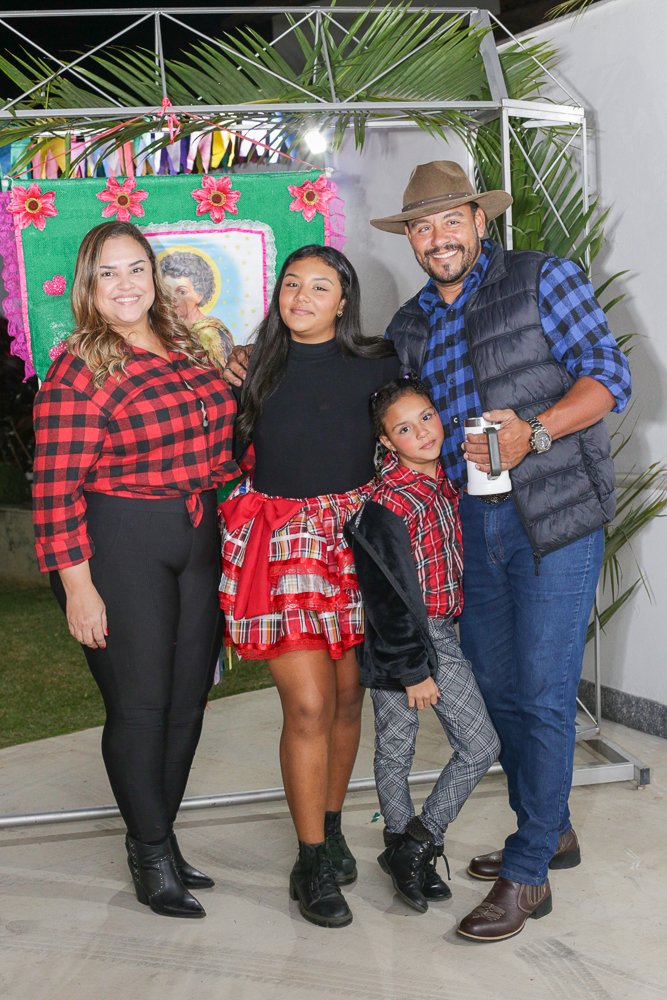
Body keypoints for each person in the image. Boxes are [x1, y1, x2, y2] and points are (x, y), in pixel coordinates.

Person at [370, 160, 632, 941]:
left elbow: (607, 375)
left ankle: (527, 876)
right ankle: (548, 831)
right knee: (500, 691)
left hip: (552, 519)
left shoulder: (542, 278)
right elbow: (388, 411)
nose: (437, 235)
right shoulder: (409, 324)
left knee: (545, 693)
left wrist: (537, 430)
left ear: (481, 221)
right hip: (466, 532)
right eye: (421, 225)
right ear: (411, 240)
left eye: (452, 219)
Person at [32, 220, 239, 920]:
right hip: (121, 539)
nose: (125, 285)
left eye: (136, 269)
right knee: (140, 706)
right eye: (108, 273)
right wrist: (78, 588)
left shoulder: (185, 346)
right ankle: (149, 852)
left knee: (187, 703)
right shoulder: (79, 365)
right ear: (90, 286)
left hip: (195, 529)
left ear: (156, 276)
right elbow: (53, 487)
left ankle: (161, 836)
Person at [218, 244, 399, 928]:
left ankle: (330, 821)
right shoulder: (251, 366)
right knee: (309, 705)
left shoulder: (378, 364)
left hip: (353, 546)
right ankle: (310, 859)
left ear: (342, 301)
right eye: (291, 284)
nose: (300, 296)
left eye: (318, 286)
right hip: (281, 544)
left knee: (349, 699)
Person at [344, 376, 500, 914]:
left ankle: (416, 845)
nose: (422, 432)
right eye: (404, 429)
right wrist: (411, 668)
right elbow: (385, 597)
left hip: (440, 632)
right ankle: (402, 844)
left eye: (426, 418)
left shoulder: (443, 482)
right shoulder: (387, 504)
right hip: (405, 639)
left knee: (477, 745)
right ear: (387, 443)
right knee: (398, 744)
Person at [160, 250, 234, 368]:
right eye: (167, 291)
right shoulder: (173, 329)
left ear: (200, 294)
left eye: (182, 292)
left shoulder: (208, 334)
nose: (172, 298)